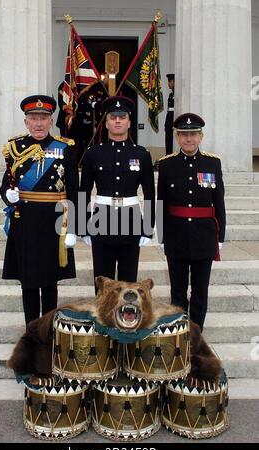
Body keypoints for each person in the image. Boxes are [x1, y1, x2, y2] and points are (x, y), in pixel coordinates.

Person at [0, 95, 78, 325]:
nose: (39, 123)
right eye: (33, 118)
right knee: (28, 280)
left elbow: (74, 189)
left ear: (51, 120)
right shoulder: (14, 147)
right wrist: (8, 195)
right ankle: (31, 329)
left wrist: (75, 226)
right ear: (26, 122)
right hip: (25, 221)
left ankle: (49, 328)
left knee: (50, 280)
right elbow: (6, 184)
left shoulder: (65, 147)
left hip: (55, 222)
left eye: (43, 118)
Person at [157, 112, 226, 331]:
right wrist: (161, 237)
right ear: (177, 138)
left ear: (201, 136)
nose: (189, 139)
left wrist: (220, 237)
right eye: (184, 134)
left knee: (199, 291)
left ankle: (195, 334)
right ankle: (178, 333)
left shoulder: (212, 163)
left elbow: (219, 203)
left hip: (204, 237)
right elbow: (161, 203)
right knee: (177, 291)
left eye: (193, 134)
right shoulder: (167, 165)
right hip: (176, 236)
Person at [80, 96, 155, 291]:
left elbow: (150, 194)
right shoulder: (93, 154)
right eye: (113, 117)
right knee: (102, 282)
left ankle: (125, 321)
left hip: (131, 220)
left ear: (129, 121)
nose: (118, 121)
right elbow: (84, 191)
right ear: (106, 123)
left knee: (128, 283)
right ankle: (103, 320)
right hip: (101, 219)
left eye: (122, 117)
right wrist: (81, 225)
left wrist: (150, 227)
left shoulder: (141, 154)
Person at [164, 74, 175, 155]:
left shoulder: (176, 95)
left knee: (171, 142)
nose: (168, 83)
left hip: (173, 123)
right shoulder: (171, 95)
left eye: (169, 81)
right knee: (168, 142)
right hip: (169, 122)